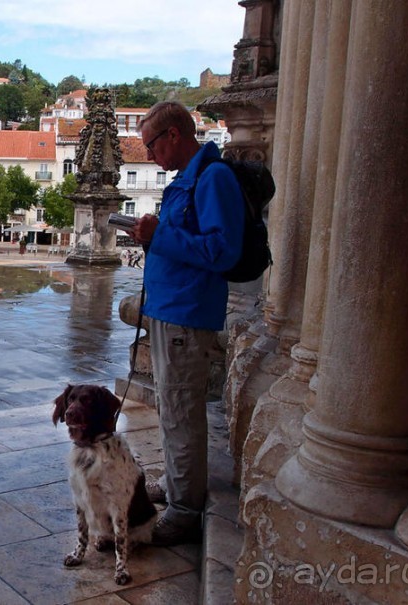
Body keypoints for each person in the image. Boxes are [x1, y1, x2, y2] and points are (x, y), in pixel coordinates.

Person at [129, 101, 244, 547]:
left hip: (186, 312)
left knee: (180, 410)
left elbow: (222, 251)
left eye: (152, 146)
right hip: (169, 308)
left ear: (174, 135)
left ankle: (183, 511)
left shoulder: (213, 179)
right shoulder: (187, 179)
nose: (150, 155)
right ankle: (178, 485)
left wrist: (160, 234)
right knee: (171, 406)